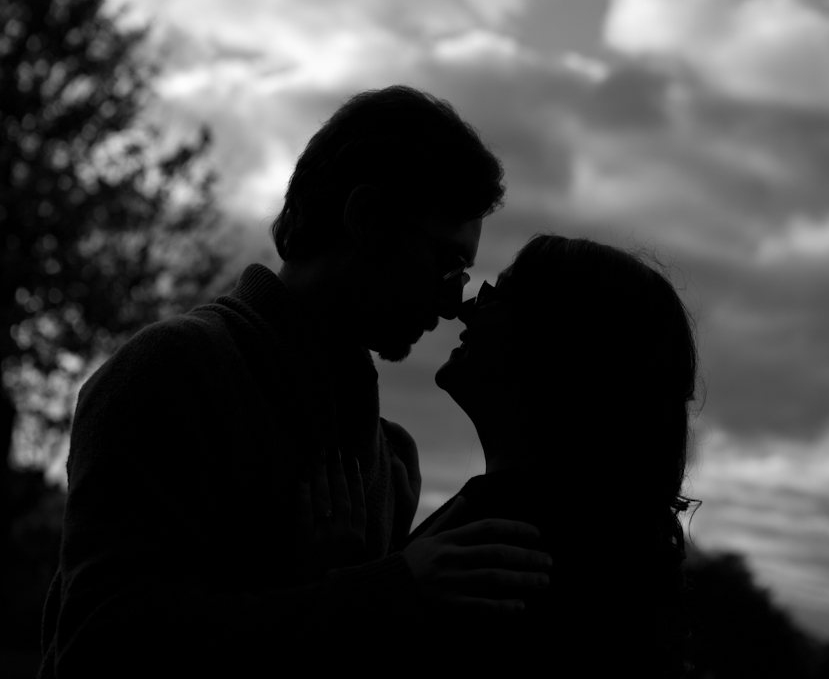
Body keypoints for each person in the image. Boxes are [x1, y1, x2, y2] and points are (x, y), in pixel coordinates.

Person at [37, 85, 553, 678]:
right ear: (365, 217)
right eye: (447, 262)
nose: (452, 299)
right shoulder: (166, 372)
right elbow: (96, 645)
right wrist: (381, 592)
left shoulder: (392, 463)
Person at [403, 234, 700, 677]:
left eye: (496, 295)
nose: (465, 307)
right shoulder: (585, 542)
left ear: (555, 344)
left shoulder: (509, 553)